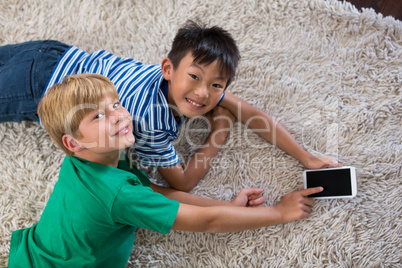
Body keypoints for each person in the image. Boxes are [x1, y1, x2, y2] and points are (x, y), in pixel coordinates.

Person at [8, 74, 323, 267]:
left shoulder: (95, 157)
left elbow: (154, 193)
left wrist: (228, 206)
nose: (119, 116)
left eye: (116, 104)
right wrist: (279, 213)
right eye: (98, 117)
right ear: (73, 142)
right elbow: (207, 223)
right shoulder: (117, 194)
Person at [0, 20, 340, 192]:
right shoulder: (148, 121)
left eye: (217, 85)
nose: (204, 93)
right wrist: (219, 132)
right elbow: (181, 183)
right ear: (168, 68)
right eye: (195, 77)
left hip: (54, 53)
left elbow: (249, 112)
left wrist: (305, 157)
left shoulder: (181, 82)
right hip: (37, 88)